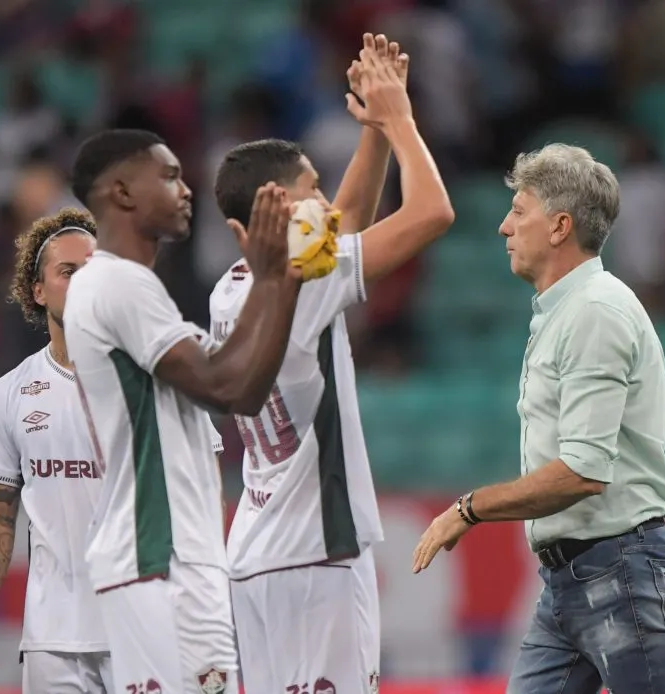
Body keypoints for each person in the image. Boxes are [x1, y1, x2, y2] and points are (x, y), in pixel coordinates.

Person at [210, 34, 453, 694]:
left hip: (256, 555)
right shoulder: (300, 279)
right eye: (312, 188)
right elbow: (433, 213)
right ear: (278, 208)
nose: (327, 202)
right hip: (318, 551)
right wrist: (400, 118)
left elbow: (341, 227)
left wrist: (371, 134)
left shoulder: (230, 288)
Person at [412, 144, 665, 693]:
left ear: (560, 226)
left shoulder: (593, 312)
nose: (503, 227)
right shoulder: (569, 310)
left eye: (519, 212)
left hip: (615, 572)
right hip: (576, 579)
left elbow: (582, 472)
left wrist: (468, 510)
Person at [62, 129, 307, 693]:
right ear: (121, 192)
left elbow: (226, 374)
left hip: (169, 554)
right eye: (169, 176)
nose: (186, 189)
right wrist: (274, 280)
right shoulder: (119, 285)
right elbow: (231, 388)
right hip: (161, 555)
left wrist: (273, 282)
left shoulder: (126, 287)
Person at [0, 208, 217, 694]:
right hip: (53, 639)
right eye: (67, 272)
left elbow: (202, 497)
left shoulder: (163, 376)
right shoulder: (9, 394)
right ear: (38, 291)